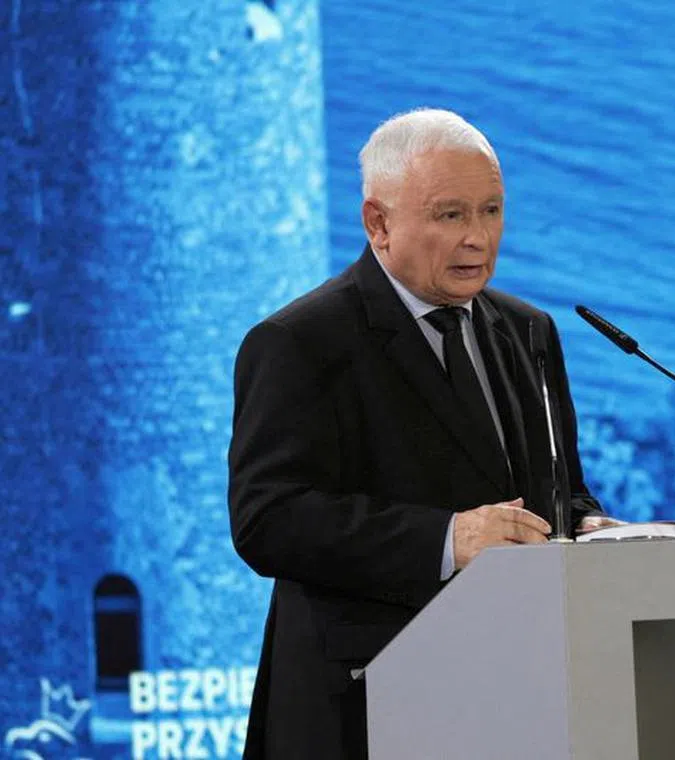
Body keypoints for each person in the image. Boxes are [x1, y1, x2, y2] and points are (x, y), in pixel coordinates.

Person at [227, 108, 615, 759]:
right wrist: (444, 539)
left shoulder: (529, 331)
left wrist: (593, 528)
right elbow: (267, 519)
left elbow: (558, 490)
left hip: (521, 696)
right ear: (378, 223)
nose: (479, 239)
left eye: (491, 211)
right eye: (450, 215)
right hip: (366, 706)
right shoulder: (300, 343)